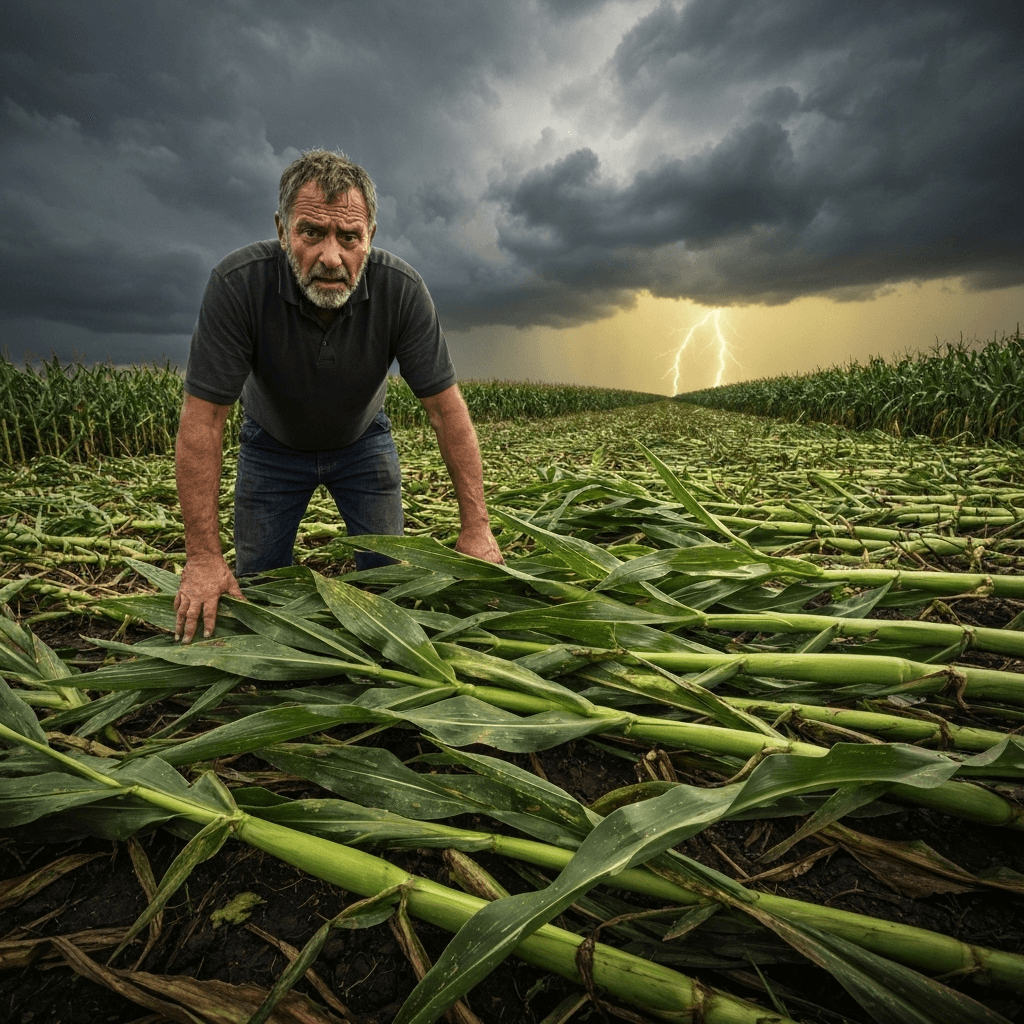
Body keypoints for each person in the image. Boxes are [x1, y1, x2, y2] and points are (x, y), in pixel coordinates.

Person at [173, 149, 502, 644]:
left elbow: (445, 410)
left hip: (363, 444)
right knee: (260, 593)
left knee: (386, 588)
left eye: (349, 237)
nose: (331, 257)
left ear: (370, 239)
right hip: (271, 447)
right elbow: (204, 421)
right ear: (283, 231)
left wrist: (476, 528)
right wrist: (202, 557)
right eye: (311, 233)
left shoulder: (402, 291)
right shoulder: (237, 285)